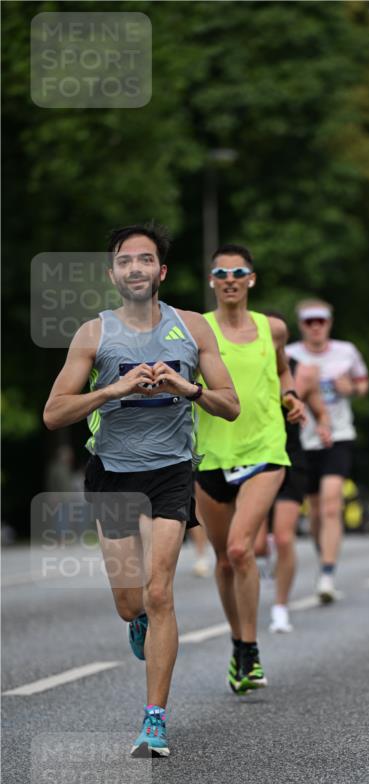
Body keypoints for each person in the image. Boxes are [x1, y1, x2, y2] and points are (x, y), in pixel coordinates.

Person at [43, 223, 240, 756]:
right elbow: (53, 413)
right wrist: (114, 389)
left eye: (145, 260)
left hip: (172, 470)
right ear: (114, 274)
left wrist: (187, 387)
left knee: (160, 592)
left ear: (161, 271)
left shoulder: (193, 327)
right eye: (126, 261)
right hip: (112, 472)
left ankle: (154, 718)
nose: (136, 268)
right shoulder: (94, 334)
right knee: (131, 603)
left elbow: (230, 403)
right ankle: (138, 623)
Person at [194, 245, 306, 692]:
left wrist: (292, 396)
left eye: (238, 272)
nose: (230, 279)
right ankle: (237, 643)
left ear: (251, 279)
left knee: (242, 550)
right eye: (221, 273)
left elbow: (282, 371)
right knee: (224, 560)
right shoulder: (196, 329)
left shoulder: (272, 328)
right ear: (212, 281)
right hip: (211, 453)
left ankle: (251, 649)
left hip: (264, 449)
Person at [286, 299, 369, 603]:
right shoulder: (289, 354)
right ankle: (325, 556)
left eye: (321, 320)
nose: (316, 326)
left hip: (338, 435)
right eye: (310, 321)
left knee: (333, 503)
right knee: (317, 511)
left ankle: (327, 574)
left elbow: (363, 383)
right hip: (302, 439)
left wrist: (352, 389)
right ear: (302, 325)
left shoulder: (346, 351)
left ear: (329, 323)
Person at [254, 311, 331, 634]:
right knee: (256, 545)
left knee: (284, 537)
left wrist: (324, 426)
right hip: (253, 458)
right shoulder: (245, 369)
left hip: (290, 458)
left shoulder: (302, 374)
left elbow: (320, 410)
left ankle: (281, 607)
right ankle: (257, 576)